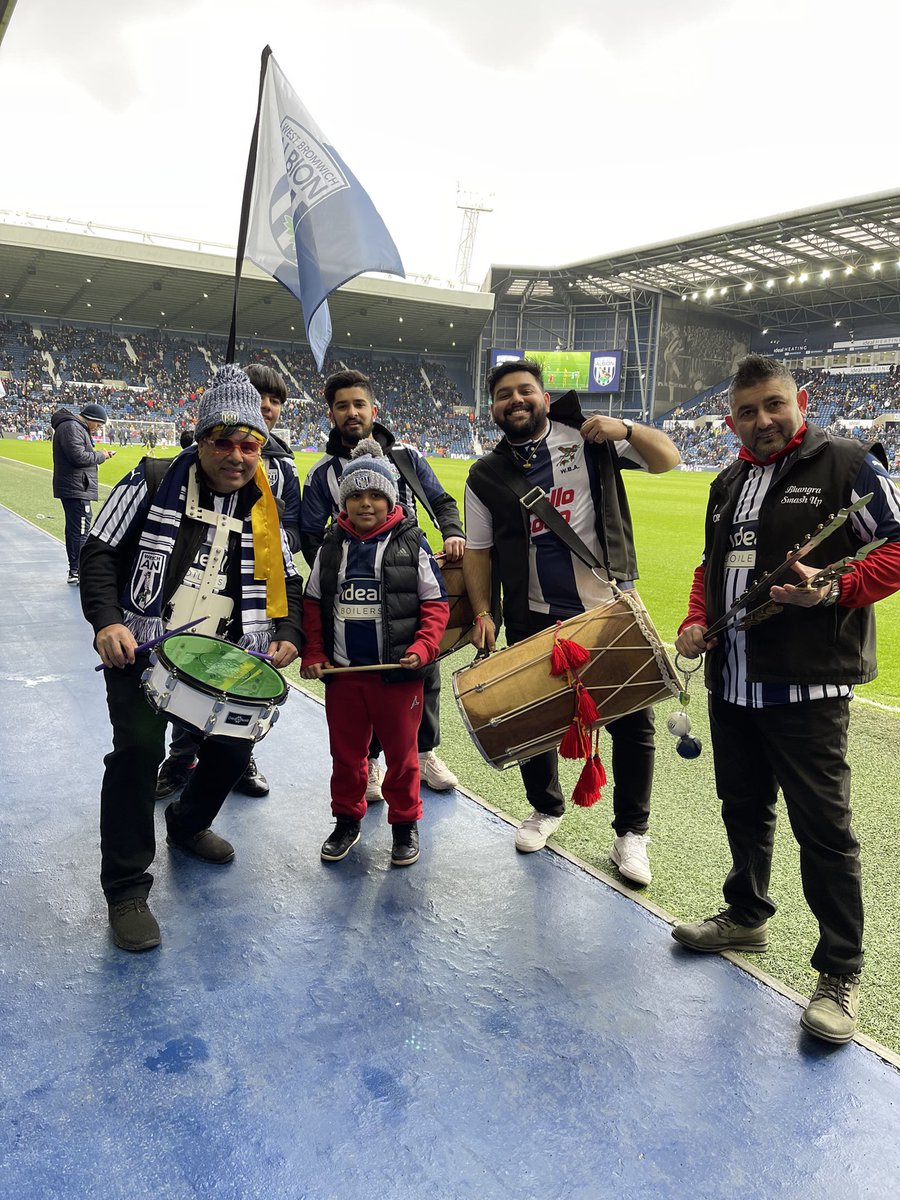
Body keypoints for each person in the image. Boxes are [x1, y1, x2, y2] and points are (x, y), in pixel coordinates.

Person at [672, 353, 900, 1045]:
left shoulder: (850, 463)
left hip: (807, 684)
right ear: (729, 418)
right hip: (733, 679)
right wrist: (691, 621)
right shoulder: (729, 479)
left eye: (774, 405)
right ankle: (746, 915)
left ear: (798, 401)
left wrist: (832, 588)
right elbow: (713, 567)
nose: (763, 420)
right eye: (748, 411)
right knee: (742, 806)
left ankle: (841, 971)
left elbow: (895, 545)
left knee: (822, 829)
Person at [80, 364, 303, 953]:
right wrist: (106, 620)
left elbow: (288, 584)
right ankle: (127, 887)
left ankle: (188, 824)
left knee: (235, 744)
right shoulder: (152, 478)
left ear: (261, 447)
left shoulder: (266, 507)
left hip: (222, 654)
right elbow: (99, 550)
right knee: (139, 750)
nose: (237, 455)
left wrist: (287, 632)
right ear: (200, 440)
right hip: (143, 647)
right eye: (223, 442)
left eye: (249, 444)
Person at [462, 360, 680, 881]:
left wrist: (625, 429)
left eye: (525, 391)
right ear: (492, 408)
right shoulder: (486, 474)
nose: (515, 401)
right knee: (534, 717)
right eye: (504, 395)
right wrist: (483, 611)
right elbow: (477, 550)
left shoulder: (588, 437)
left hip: (605, 605)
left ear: (543, 395)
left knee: (633, 721)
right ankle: (546, 807)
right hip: (533, 614)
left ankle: (632, 833)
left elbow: (668, 459)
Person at [301, 368, 463, 801]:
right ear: (331, 414)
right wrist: (338, 568)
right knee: (360, 674)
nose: (352, 413)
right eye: (342, 406)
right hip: (355, 589)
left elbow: (441, 500)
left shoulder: (407, 456)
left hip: (409, 581)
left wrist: (452, 531)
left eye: (359, 404)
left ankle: (423, 752)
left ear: (374, 409)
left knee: (422, 671)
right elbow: (309, 532)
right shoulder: (322, 473)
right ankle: (370, 763)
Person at [155, 363, 301, 801]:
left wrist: (262, 542)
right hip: (192, 589)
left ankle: (237, 759)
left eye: (276, 400)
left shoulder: (284, 469)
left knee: (230, 693)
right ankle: (181, 759)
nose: (268, 406)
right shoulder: (194, 462)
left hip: (248, 589)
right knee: (180, 689)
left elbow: (292, 527)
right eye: (260, 397)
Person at [301, 438, 449, 866]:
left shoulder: (411, 544)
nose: (366, 504)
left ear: (390, 499)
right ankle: (346, 820)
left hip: (397, 679)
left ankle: (405, 825)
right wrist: (313, 652)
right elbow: (313, 604)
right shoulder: (331, 547)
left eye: (376, 495)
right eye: (356, 496)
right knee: (346, 757)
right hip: (345, 678)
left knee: (403, 759)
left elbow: (436, 605)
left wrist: (424, 647)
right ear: (344, 502)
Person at [50, 401, 115, 585]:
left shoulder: (72, 426)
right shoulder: (72, 427)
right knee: (80, 530)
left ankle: (75, 570)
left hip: (75, 486)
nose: (98, 429)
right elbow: (78, 457)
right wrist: (101, 456)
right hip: (76, 488)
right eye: (98, 424)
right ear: (92, 419)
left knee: (75, 529)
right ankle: (78, 571)